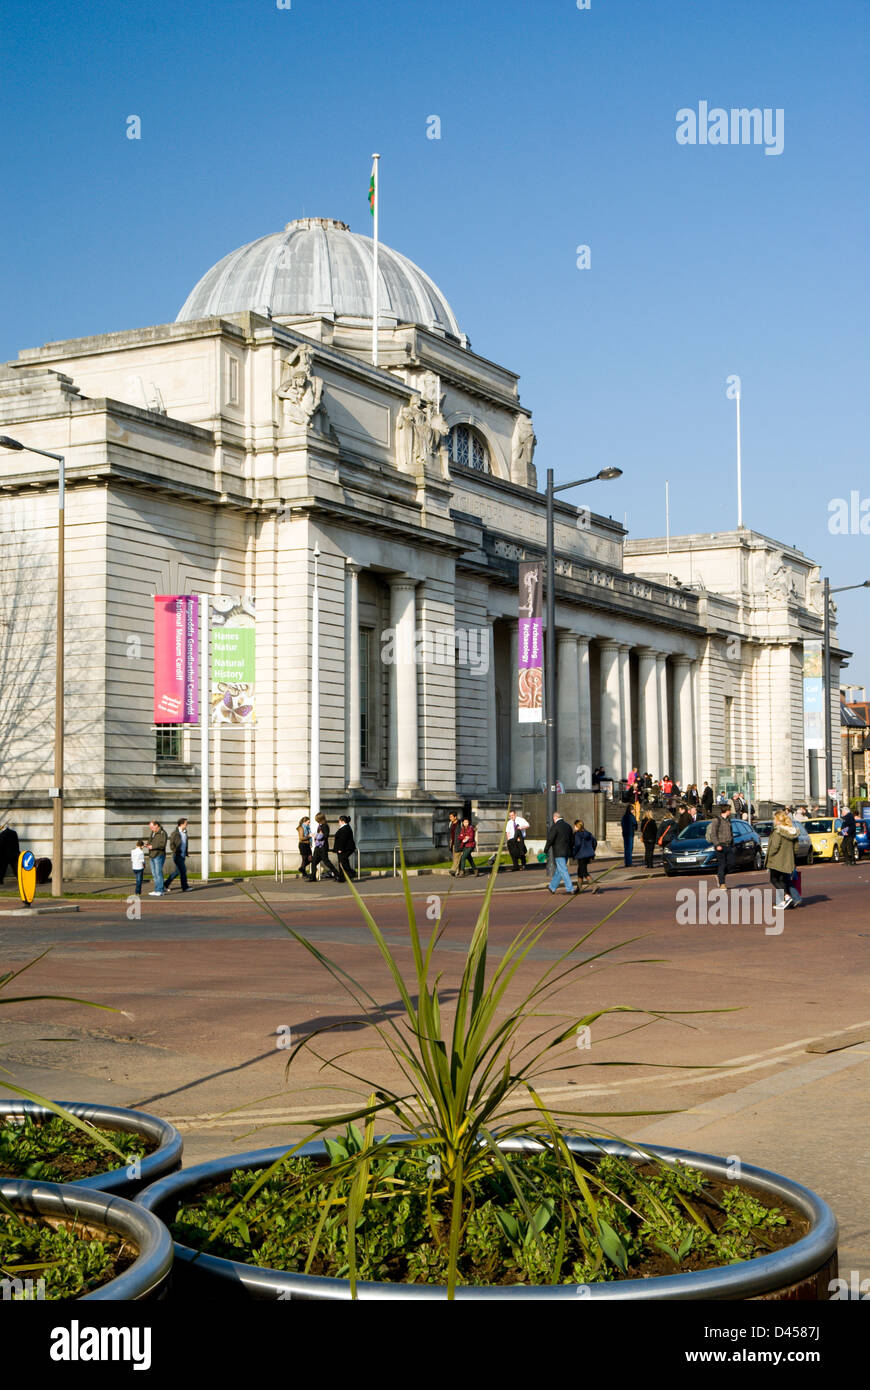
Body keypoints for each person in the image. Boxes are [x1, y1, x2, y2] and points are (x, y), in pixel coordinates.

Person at [765, 809, 801, 909]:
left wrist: (770, 856)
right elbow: (796, 847)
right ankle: (781, 901)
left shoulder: (778, 831)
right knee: (782, 880)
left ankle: (786, 897)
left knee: (774, 879)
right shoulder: (792, 831)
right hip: (788, 859)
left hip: (777, 859)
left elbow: (775, 846)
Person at [544, 813, 577, 894]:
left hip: (558, 852)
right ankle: (552, 887)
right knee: (559, 870)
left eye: (553, 818)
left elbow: (550, 839)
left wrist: (546, 849)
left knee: (563, 870)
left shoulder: (555, 826)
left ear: (555, 817)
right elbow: (572, 840)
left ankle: (570, 889)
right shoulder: (568, 826)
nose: (553, 820)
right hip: (567, 851)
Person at [705, 804, 734, 887]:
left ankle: (720, 875)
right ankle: (722, 883)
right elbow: (713, 834)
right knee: (722, 864)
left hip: (729, 845)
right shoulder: (717, 820)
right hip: (720, 845)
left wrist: (732, 844)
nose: (731, 812)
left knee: (731, 864)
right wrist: (717, 844)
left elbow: (731, 833)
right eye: (730, 810)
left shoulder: (728, 820)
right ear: (727, 811)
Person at [165, 817, 192, 892]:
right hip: (177, 855)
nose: (187, 825)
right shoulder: (175, 833)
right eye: (186, 823)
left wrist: (186, 852)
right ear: (181, 824)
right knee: (183, 871)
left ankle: (165, 884)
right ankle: (185, 887)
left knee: (177, 872)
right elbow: (171, 844)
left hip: (183, 855)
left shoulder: (185, 833)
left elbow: (185, 844)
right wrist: (176, 851)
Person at [311, 812, 338, 881]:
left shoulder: (325, 826)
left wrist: (318, 836)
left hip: (323, 847)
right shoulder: (319, 826)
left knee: (326, 862)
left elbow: (326, 836)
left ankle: (337, 874)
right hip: (318, 847)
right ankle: (313, 877)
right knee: (313, 862)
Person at [573, 819, 599, 891]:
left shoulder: (577, 834)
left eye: (574, 826)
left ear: (577, 826)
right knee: (580, 870)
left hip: (581, 855)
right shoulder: (588, 833)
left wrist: (574, 853)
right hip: (588, 855)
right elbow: (595, 842)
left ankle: (594, 885)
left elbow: (577, 844)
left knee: (583, 871)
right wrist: (591, 850)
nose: (574, 827)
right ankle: (579, 887)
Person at [145, 819, 168, 896]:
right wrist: (147, 844)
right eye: (150, 827)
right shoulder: (153, 833)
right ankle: (157, 889)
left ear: (156, 825)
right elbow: (150, 841)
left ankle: (160, 890)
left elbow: (162, 845)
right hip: (152, 855)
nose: (151, 829)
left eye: (152, 827)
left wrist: (152, 846)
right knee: (154, 874)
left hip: (159, 855)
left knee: (158, 873)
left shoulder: (162, 833)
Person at [333, 815, 356, 881]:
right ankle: (342, 877)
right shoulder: (344, 827)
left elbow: (343, 840)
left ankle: (351, 873)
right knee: (342, 862)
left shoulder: (345, 828)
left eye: (339, 821)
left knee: (343, 861)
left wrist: (340, 849)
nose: (338, 822)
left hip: (345, 848)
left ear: (342, 821)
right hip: (344, 848)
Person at [0, 819, 21, 885]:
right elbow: (17, 843)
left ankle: (0, 881)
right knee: (17, 869)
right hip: (14, 853)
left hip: (4, 855)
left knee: (2, 870)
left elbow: (1, 845)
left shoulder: (2, 834)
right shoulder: (14, 833)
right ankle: (20, 880)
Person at [448, 811, 462, 876]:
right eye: (450, 817)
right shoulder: (450, 823)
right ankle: (459, 871)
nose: (450, 818)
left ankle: (453, 870)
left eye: (451, 817)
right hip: (453, 843)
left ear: (455, 817)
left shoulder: (460, 823)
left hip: (459, 843)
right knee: (455, 857)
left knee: (457, 857)